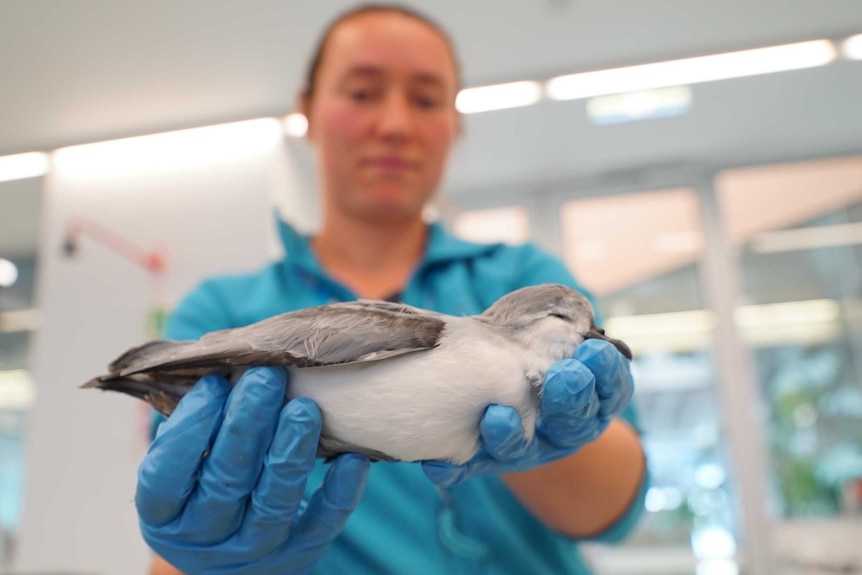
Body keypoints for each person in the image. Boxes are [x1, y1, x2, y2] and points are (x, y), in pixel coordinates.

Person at [142, 4, 648, 574]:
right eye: (362, 93)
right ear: (307, 110)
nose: (394, 125)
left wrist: (547, 430)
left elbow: (615, 509)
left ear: (455, 123)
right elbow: (180, 528)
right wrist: (211, 557)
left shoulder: (524, 285)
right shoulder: (227, 313)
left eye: (426, 100)